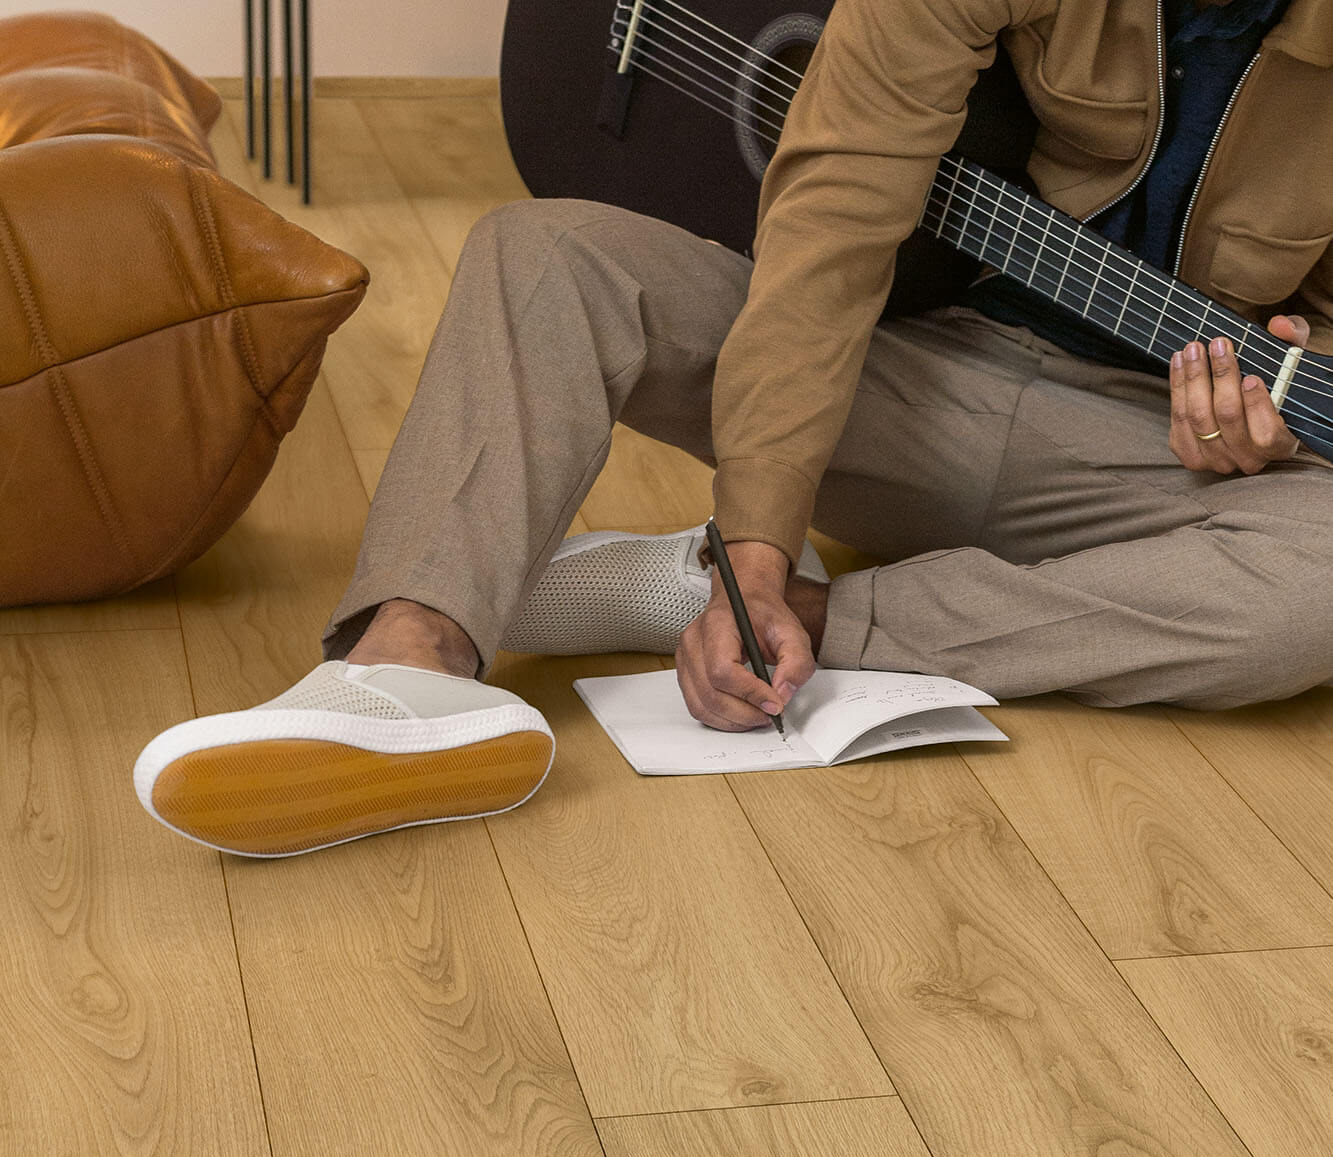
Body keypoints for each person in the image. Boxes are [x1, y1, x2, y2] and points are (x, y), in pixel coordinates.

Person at [135, 0, 1333, 858]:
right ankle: (410, 663)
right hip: (902, 382)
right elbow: (828, 230)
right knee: (547, 253)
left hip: (1143, 455)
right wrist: (759, 532)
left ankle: (787, 621)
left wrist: (1288, 397)